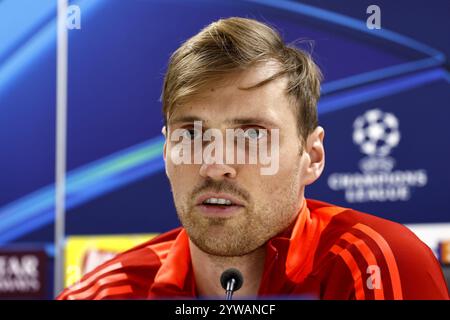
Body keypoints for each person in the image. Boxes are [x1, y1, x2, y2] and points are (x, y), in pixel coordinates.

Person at [57, 17, 449, 300]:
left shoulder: (375, 264)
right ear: (165, 153)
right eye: (191, 135)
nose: (214, 164)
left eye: (251, 136)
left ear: (311, 156)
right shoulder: (101, 294)